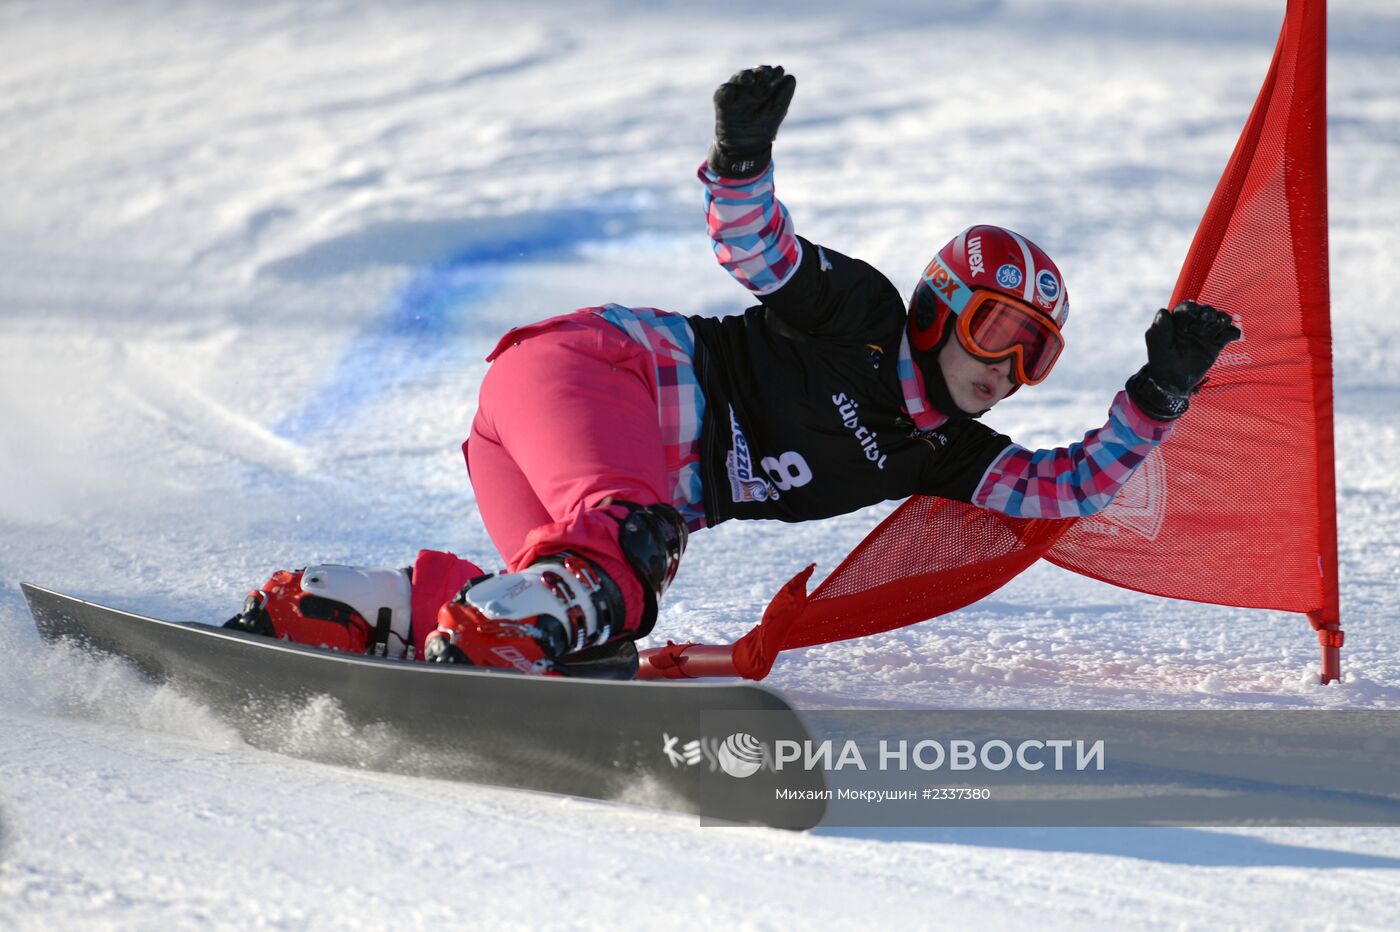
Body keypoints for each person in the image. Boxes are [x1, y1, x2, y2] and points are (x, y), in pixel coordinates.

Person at [226, 65, 1240, 678]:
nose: (1006, 367)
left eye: (1035, 354)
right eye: (995, 329)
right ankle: (499, 620)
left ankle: (337, 606)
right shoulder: (863, 317)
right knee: (622, 551)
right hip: (598, 372)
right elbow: (762, 256)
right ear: (939, 306)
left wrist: (1156, 393)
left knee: (579, 611)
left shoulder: (940, 450)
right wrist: (742, 160)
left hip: (564, 457)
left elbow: (1060, 487)